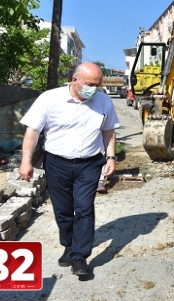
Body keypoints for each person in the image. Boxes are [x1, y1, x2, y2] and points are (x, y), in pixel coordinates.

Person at [18, 62, 120, 277]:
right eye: (90, 84)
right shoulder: (49, 99)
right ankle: (68, 245)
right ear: (75, 80)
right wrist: (26, 160)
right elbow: (32, 131)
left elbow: (108, 130)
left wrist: (111, 156)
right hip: (57, 163)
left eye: (98, 84)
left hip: (90, 164)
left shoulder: (103, 101)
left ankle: (79, 257)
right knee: (63, 210)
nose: (94, 89)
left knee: (84, 208)